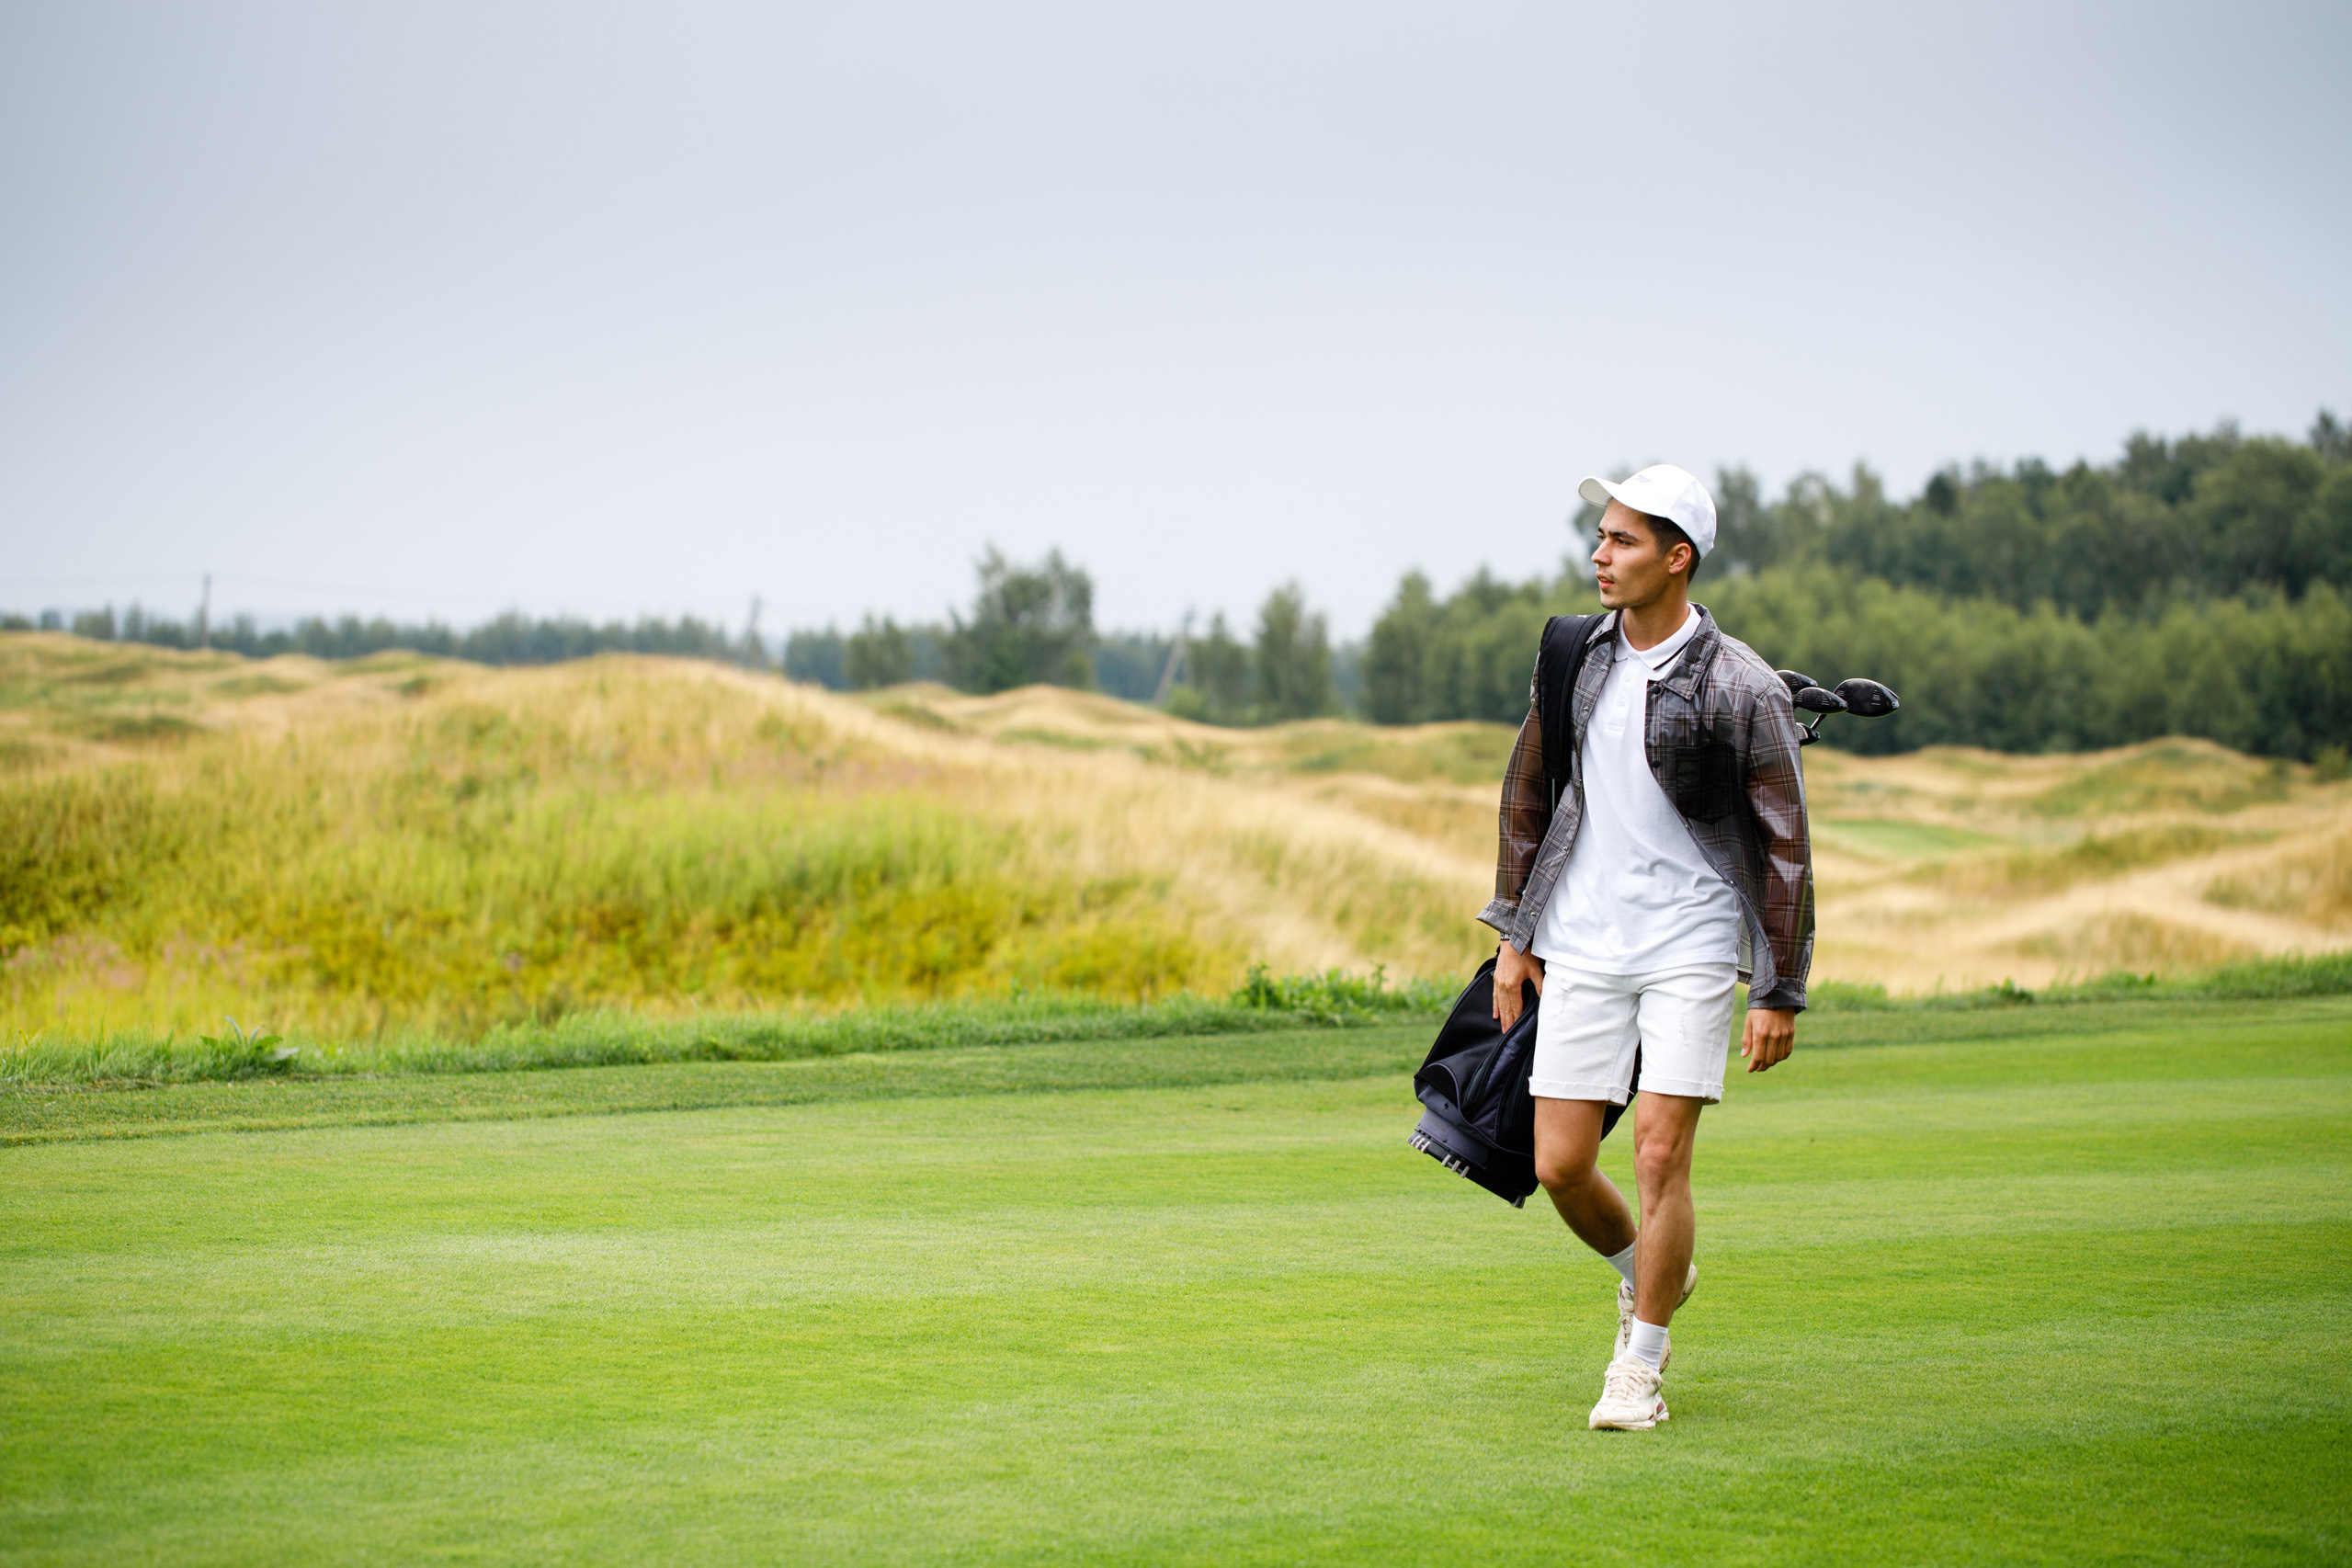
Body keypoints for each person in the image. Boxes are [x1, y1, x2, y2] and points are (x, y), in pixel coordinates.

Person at [1478, 463, 1812, 1432]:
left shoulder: (1741, 684)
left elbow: (1786, 845)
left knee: (1661, 1152)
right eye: (1600, 536)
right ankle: (1650, 1269)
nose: (1599, 554)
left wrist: (1777, 988)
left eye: (1622, 540)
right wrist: (1515, 934)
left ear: (1677, 558)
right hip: (1581, 939)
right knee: (1559, 1164)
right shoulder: (1571, 656)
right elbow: (1527, 791)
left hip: (1691, 944)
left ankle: (1641, 1366)